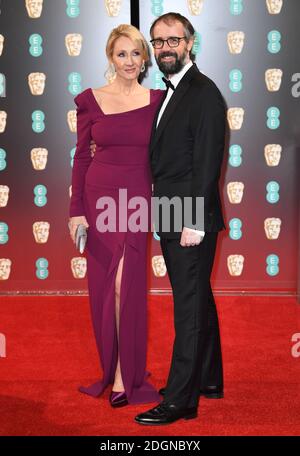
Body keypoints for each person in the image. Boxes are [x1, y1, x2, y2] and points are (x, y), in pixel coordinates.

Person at [135, 12, 226, 425]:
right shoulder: (172, 90)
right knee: (198, 297)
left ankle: (181, 401)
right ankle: (208, 378)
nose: (164, 49)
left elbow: (206, 164)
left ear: (190, 42)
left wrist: (195, 221)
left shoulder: (203, 93)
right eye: (157, 42)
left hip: (190, 215)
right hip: (173, 210)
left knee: (187, 306)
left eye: (172, 41)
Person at [68, 24, 163, 407]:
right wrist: (76, 211)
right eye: (122, 54)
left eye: (136, 54)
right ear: (111, 56)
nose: (129, 61)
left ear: (145, 59)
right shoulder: (91, 99)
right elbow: (81, 156)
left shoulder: (157, 100)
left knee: (127, 283)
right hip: (98, 197)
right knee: (107, 287)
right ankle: (115, 367)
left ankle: (127, 373)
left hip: (136, 199)